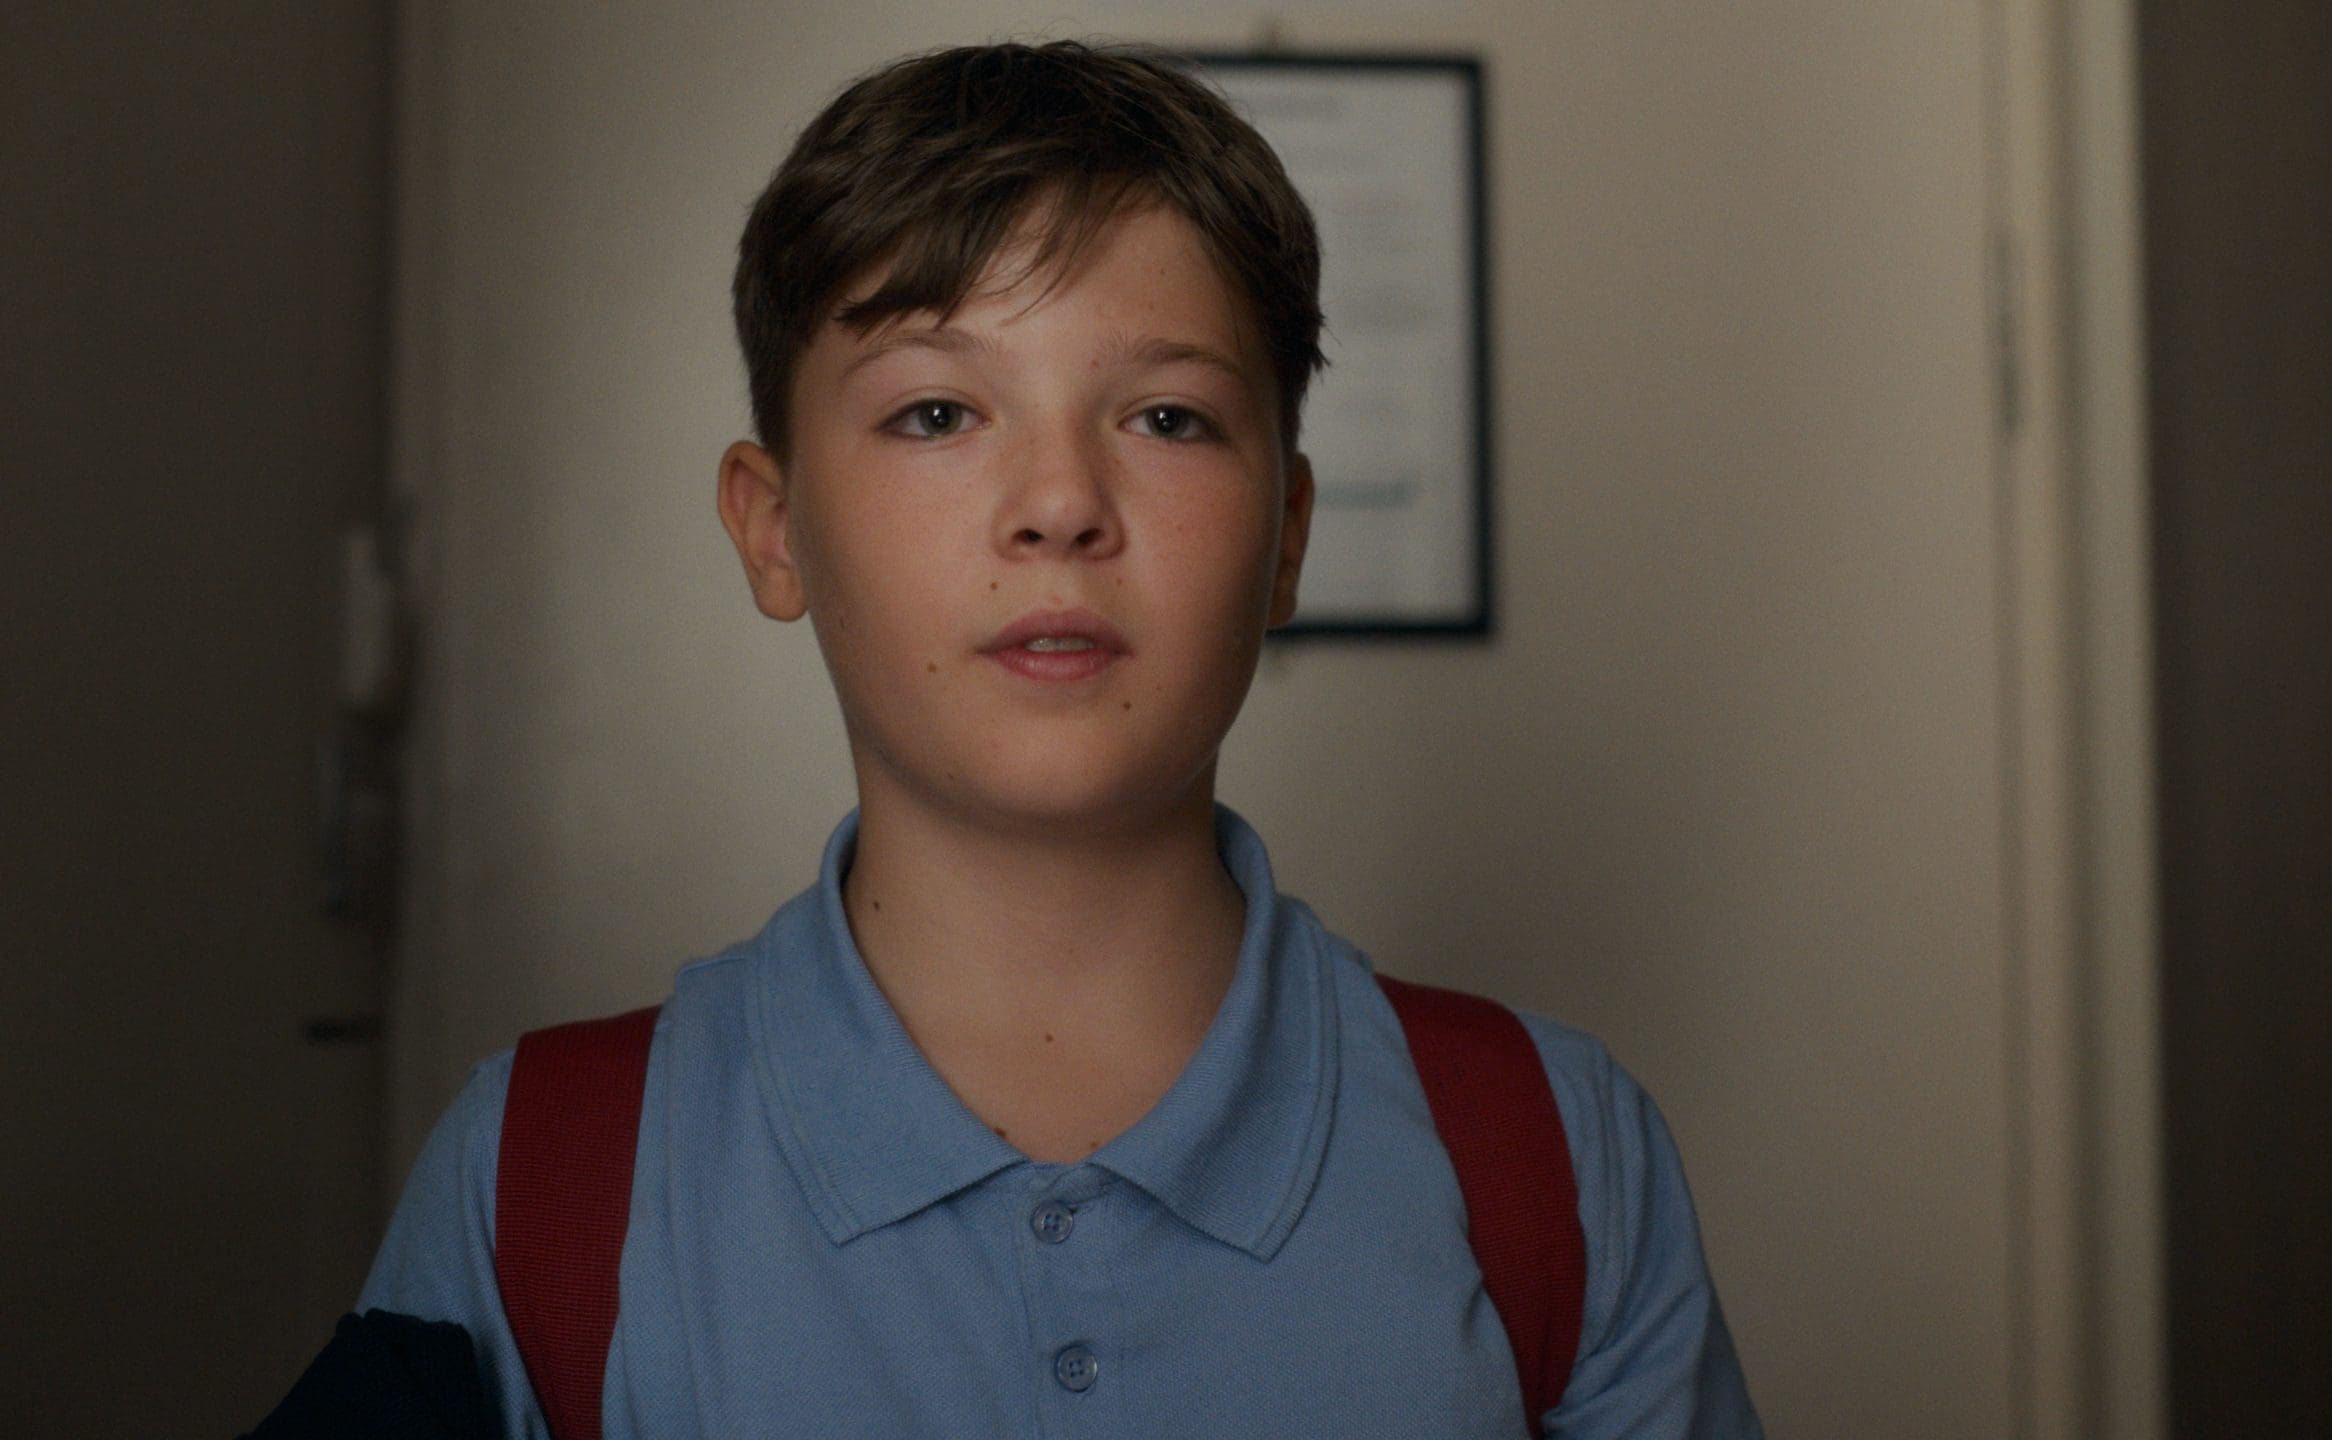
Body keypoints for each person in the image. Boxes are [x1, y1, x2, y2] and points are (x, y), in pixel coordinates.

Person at [349, 40, 1760, 1438]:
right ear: (773, 530)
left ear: (1288, 539)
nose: (1060, 504)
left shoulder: (1556, 1158)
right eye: (938, 411)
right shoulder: (537, 1174)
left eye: (1166, 416)